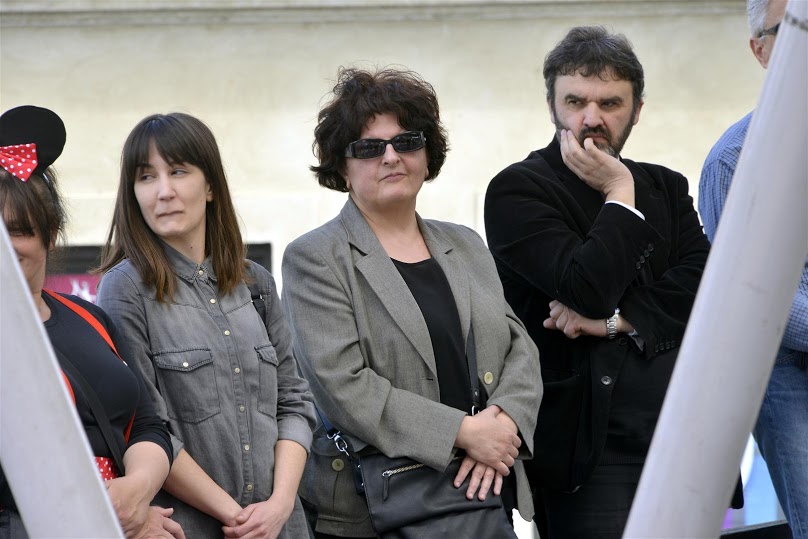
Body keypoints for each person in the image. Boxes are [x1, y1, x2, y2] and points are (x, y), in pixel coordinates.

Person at [281, 67, 542, 538]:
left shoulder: (465, 243)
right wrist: (465, 434)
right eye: (369, 147)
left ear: (427, 153)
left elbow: (518, 346)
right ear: (342, 167)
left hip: (481, 495)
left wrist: (503, 423)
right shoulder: (315, 257)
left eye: (406, 142)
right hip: (377, 510)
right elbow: (342, 386)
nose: (391, 156)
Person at [484, 26, 718, 538]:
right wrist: (618, 191)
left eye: (610, 103)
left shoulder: (666, 186)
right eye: (575, 101)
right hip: (591, 449)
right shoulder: (517, 190)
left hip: (681, 434)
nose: (591, 118)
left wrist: (617, 321)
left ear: (636, 110)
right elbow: (585, 287)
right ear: (552, 105)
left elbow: (706, 284)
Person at [95, 112, 317, 538]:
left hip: (281, 526)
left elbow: (294, 401)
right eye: (146, 177)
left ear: (211, 186)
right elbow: (143, 425)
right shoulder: (124, 289)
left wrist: (280, 505)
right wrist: (238, 517)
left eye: (178, 171)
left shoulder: (256, 283)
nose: (164, 191)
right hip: (191, 527)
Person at [0, 105, 182, 539]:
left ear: (50, 233)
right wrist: (106, 514)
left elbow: (148, 423)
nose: (5, 246)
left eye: (17, 230)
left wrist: (135, 495)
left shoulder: (91, 317)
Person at [699, 2, 807, 537]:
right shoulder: (733, 160)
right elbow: (751, 294)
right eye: (793, 29)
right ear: (759, 50)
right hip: (788, 376)